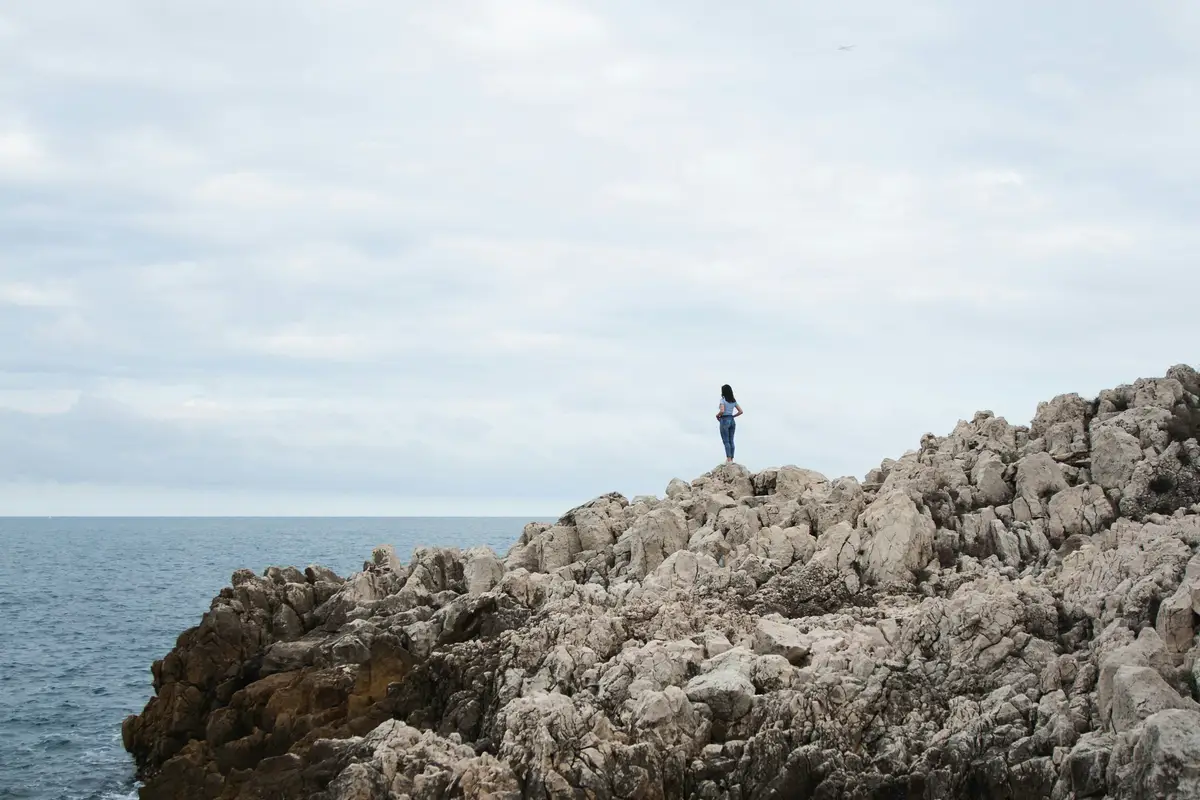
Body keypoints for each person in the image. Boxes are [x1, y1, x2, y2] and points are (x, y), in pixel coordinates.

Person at [716, 384, 743, 464]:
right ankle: (732, 458)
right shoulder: (733, 401)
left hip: (724, 420)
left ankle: (729, 459)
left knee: (726, 441)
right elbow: (741, 411)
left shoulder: (722, 400)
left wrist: (717, 415)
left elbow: (722, 411)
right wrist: (733, 416)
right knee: (731, 440)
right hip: (732, 420)